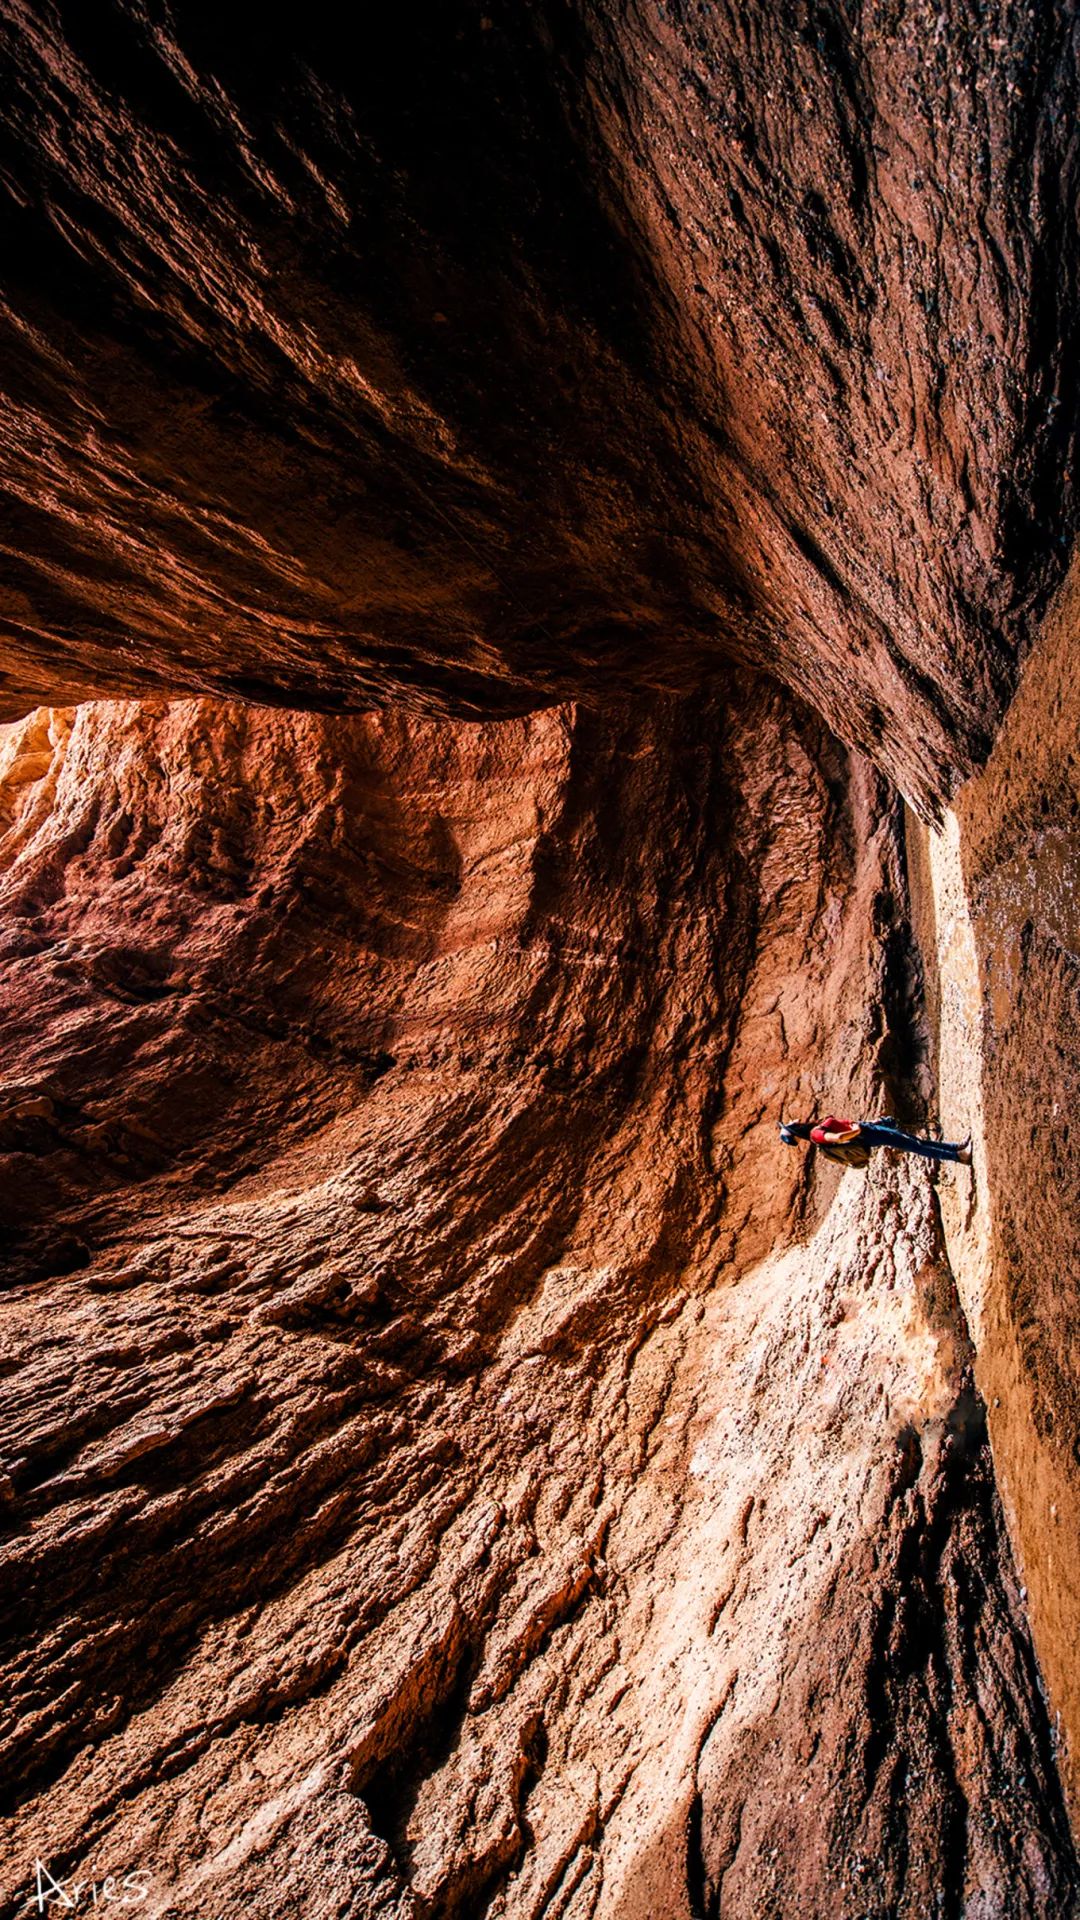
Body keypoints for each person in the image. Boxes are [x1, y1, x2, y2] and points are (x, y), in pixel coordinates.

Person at [778, 1114, 972, 1168]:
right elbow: (836, 1137)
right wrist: (855, 1131)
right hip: (868, 1135)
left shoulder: (814, 1128)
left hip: (870, 1130)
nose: (792, 1121)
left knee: (915, 1141)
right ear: (794, 1130)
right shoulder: (815, 1135)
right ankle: (958, 1157)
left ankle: (957, 1148)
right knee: (916, 1146)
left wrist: (866, 1124)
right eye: (790, 1124)